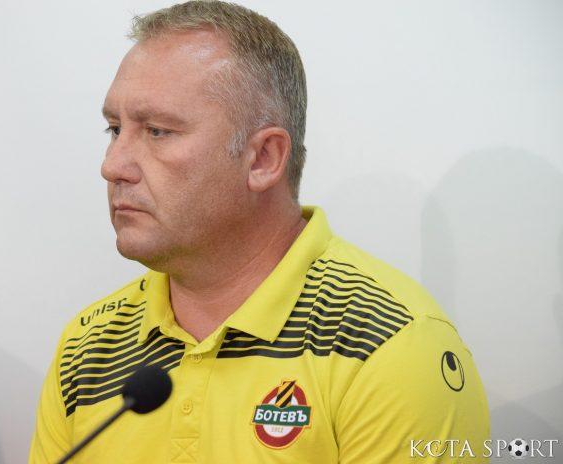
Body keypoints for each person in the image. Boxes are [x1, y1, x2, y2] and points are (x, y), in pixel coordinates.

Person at [29, 1, 490, 463]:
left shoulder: (387, 343)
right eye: (114, 129)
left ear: (264, 159)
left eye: (158, 131)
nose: (112, 166)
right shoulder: (87, 346)